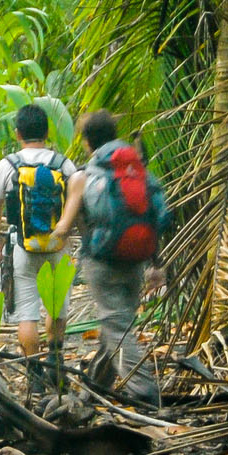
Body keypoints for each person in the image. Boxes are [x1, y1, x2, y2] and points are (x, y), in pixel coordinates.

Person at [52, 109, 163, 407]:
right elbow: (158, 214)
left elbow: (68, 222)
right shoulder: (138, 170)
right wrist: (157, 264)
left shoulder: (87, 175)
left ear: (88, 142)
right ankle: (94, 388)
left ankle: (145, 390)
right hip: (137, 257)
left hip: (102, 259)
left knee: (116, 325)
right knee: (117, 322)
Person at [0, 103, 76, 390]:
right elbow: (75, 204)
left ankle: (34, 376)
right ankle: (56, 364)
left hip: (22, 247)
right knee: (56, 306)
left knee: (27, 312)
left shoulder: (8, 165)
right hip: (58, 247)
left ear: (18, 133)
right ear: (47, 132)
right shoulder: (63, 164)